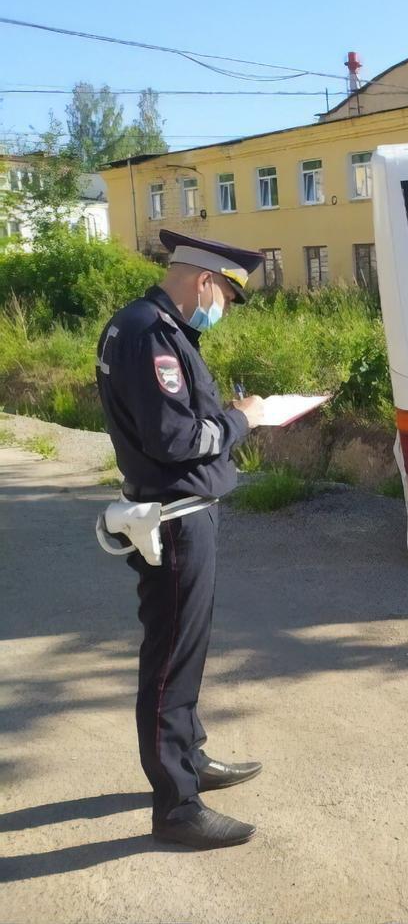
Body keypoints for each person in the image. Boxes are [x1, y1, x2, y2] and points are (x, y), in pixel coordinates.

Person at [95, 229, 268, 849]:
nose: (223, 309)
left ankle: (189, 756)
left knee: (184, 651)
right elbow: (176, 440)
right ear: (205, 281)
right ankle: (176, 807)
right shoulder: (151, 334)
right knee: (170, 661)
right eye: (226, 297)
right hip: (174, 517)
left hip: (182, 511)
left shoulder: (153, 326)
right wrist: (244, 419)